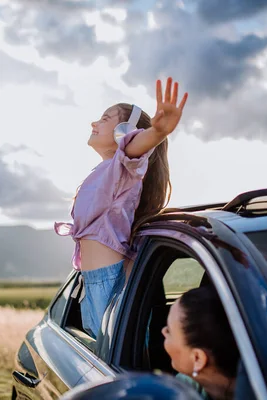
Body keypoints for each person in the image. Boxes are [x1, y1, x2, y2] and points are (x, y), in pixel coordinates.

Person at [55, 77, 188, 338]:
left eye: (105, 118)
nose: (94, 123)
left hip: (109, 284)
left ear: (124, 131)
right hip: (94, 284)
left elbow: (134, 149)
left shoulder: (124, 169)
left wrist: (157, 133)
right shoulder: (105, 172)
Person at [163, 286, 240, 400]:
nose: (163, 331)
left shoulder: (181, 392)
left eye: (169, 331)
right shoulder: (186, 383)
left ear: (197, 358)